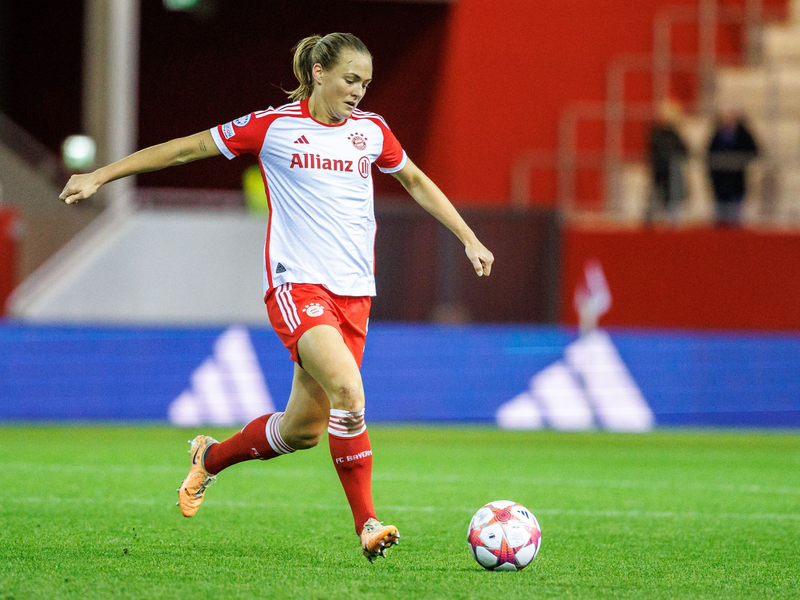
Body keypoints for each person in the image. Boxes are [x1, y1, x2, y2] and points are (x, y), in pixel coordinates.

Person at [59, 32, 494, 562]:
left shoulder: (372, 132)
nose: (359, 91)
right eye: (350, 79)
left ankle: (210, 457)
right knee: (349, 393)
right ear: (318, 73)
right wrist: (101, 175)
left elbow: (417, 181)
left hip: (355, 294)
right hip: (297, 286)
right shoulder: (273, 127)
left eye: (366, 83)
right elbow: (186, 149)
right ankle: (368, 523)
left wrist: (469, 236)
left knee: (303, 431)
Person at [707, 108, 759, 227]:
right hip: (720, 179)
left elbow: (755, 151)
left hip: (737, 179)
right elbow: (709, 153)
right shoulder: (717, 134)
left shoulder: (743, 134)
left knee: (736, 213)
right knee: (721, 213)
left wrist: (740, 161)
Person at [646, 100, 689, 223]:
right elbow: (660, 151)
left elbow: (685, 151)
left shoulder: (675, 134)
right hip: (660, 171)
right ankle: (650, 222)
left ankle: (672, 222)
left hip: (673, 174)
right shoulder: (656, 133)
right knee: (655, 198)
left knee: (673, 201)